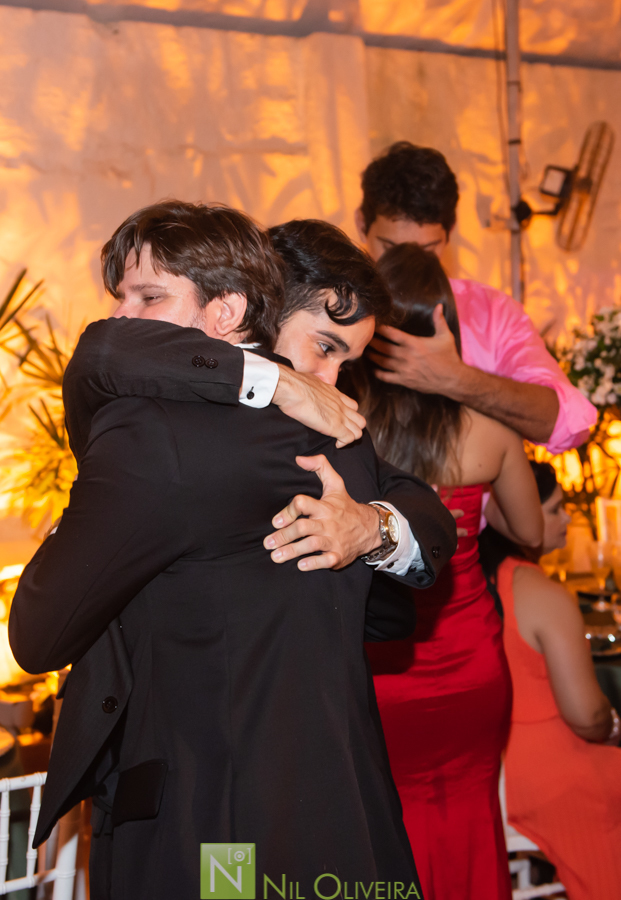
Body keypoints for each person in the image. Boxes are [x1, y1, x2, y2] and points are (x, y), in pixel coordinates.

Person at [10, 203, 457, 899]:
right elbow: (391, 612)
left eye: (149, 297)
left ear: (228, 310)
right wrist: (374, 525)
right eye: (324, 348)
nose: (331, 382)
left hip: (214, 827)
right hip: (336, 816)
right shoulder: (340, 443)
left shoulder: (156, 437)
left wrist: (370, 528)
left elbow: (37, 636)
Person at [360, 243, 543, 900]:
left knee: (383, 820)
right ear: (444, 324)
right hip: (468, 663)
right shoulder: (488, 430)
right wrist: (464, 516)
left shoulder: (347, 429)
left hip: (381, 668)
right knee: (468, 815)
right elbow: (530, 533)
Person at [354, 141, 596, 454]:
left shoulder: (493, 313)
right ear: (362, 225)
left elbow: (570, 425)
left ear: (450, 232)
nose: (408, 268)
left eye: (428, 251)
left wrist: (456, 379)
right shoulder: (328, 305)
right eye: (392, 248)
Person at [479, 461, 621, 900]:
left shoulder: (470, 582)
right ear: (521, 514)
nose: (569, 520)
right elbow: (587, 716)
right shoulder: (539, 592)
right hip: (547, 773)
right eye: (557, 510)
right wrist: (615, 727)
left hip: (489, 769)